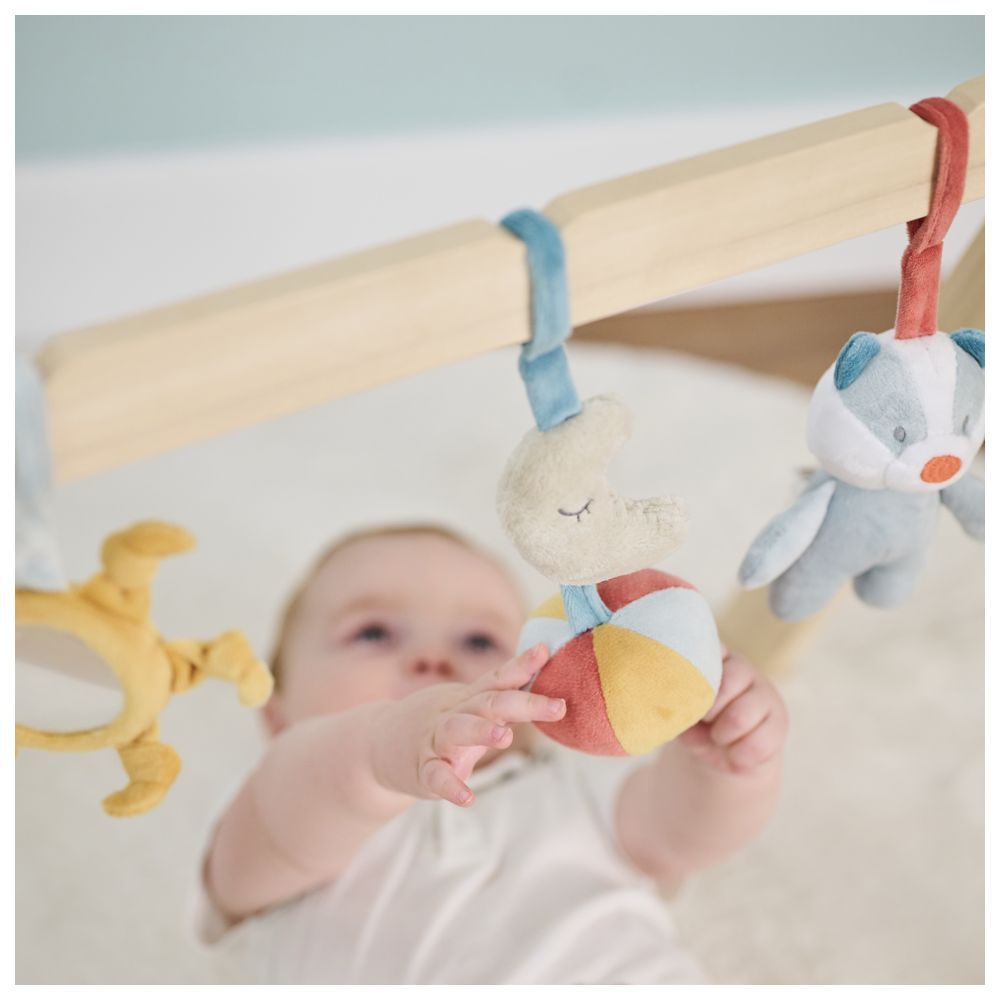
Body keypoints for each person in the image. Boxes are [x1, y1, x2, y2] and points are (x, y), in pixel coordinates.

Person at [189, 524, 789, 984]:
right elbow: (302, 802)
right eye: (372, 632)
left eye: (480, 640)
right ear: (276, 713)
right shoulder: (283, 799)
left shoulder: (564, 784)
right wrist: (383, 744)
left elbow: (678, 837)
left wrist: (723, 762)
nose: (435, 662)